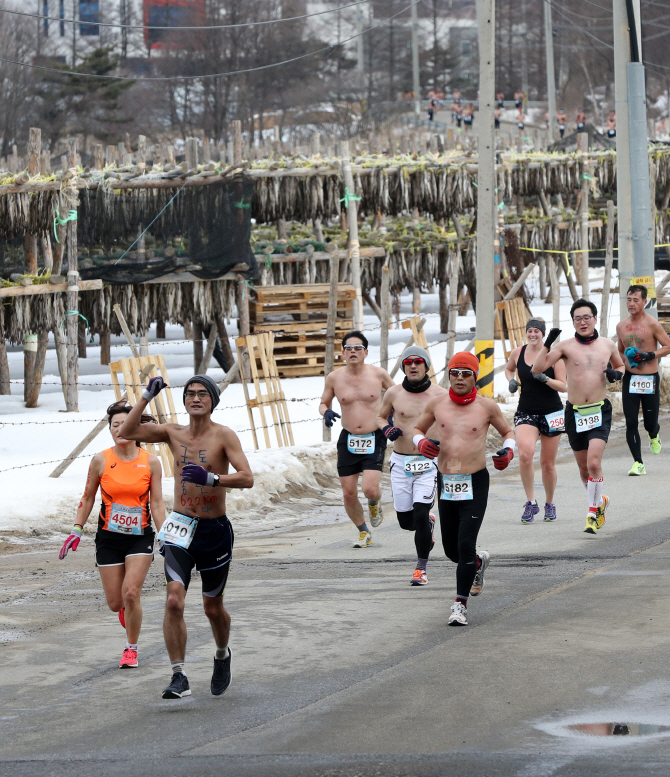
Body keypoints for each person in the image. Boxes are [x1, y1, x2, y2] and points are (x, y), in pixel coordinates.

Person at [119, 374, 254, 700]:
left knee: (212, 608)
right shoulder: (172, 432)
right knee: (174, 599)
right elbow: (126, 432)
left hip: (214, 531)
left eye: (202, 394)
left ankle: (222, 654)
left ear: (212, 401)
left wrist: (212, 478)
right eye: (190, 394)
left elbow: (247, 477)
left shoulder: (224, 436)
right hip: (180, 528)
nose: (195, 398)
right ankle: (178, 675)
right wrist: (146, 398)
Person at [59, 401, 165, 669]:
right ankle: (125, 612)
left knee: (131, 593)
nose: (120, 429)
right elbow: (87, 497)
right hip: (108, 538)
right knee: (115, 601)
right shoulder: (100, 460)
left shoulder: (151, 462)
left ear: (136, 427)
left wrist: (164, 536)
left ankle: (131, 649)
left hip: (140, 536)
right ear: (109, 430)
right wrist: (76, 529)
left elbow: (157, 504)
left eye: (125, 424)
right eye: (114, 425)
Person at [412, 352, 515, 626]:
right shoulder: (437, 404)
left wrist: (509, 451)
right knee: (452, 552)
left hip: (475, 482)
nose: (459, 378)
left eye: (465, 373)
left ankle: (460, 605)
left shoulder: (486, 407)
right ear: (449, 376)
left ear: (474, 377)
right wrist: (421, 443)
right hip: (446, 482)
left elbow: (509, 432)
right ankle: (477, 564)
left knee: (465, 543)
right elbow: (416, 429)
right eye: (455, 373)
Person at [531, 300, 625, 535]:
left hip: (599, 411)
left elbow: (621, 366)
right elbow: (536, 369)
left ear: (595, 319)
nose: (583, 322)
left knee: (594, 463)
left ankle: (593, 512)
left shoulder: (607, 344)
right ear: (572, 321)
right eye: (577, 318)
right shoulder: (565, 346)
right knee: (584, 470)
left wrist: (617, 374)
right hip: (574, 413)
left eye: (587, 317)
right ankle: (600, 500)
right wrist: (547, 344)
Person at [376, 346, 447, 585]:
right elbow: (379, 416)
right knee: (407, 522)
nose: (413, 365)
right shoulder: (394, 393)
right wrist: (387, 428)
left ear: (426, 366)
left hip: (428, 462)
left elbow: (452, 421)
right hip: (401, 461)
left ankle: (421, 567)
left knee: (420, 510)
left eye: (418, 361)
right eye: (408, 362)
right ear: (404, 366)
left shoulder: (440, 394)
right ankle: (427, 524)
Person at [319, 331, 395, 548]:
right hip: (348, 438)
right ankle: (363, 532)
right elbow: (323, 403)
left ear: (366, 352)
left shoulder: (379, 374)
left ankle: (374, 502)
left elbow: (398, 394)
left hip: (374, 436)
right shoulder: (334, 378)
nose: (353, 351)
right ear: (343, 353)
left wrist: (390, 415)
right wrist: (325, 412)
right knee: (348, 492)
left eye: (358, 348)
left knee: (370, 488)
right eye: (349, 348)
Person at [505, 318, 567, 523]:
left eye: (536, 332)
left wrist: (546, 380)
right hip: (526, 411)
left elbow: (563, 386)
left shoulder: (554, 356)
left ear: (543, 334)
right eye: (529, 331)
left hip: (552, 412)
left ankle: (550, 503)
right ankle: (531, 503)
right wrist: (511, 381)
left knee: (547, 463)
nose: (532, 335)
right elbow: (509, 368)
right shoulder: (518, 352)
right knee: (524, 454)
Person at [616, 284, 670, 475]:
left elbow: (668, 346)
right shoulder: (621, 325)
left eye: (635, 300)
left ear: (645, 302)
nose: (631, 303)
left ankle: (654, 435)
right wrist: (625, 360)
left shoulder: (652, 323)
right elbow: (620, 351)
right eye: (629, 299)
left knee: (649, 423)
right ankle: (638, 463)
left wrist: (649, 355)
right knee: (631, 421)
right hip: (630, 379)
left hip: (649, 379)